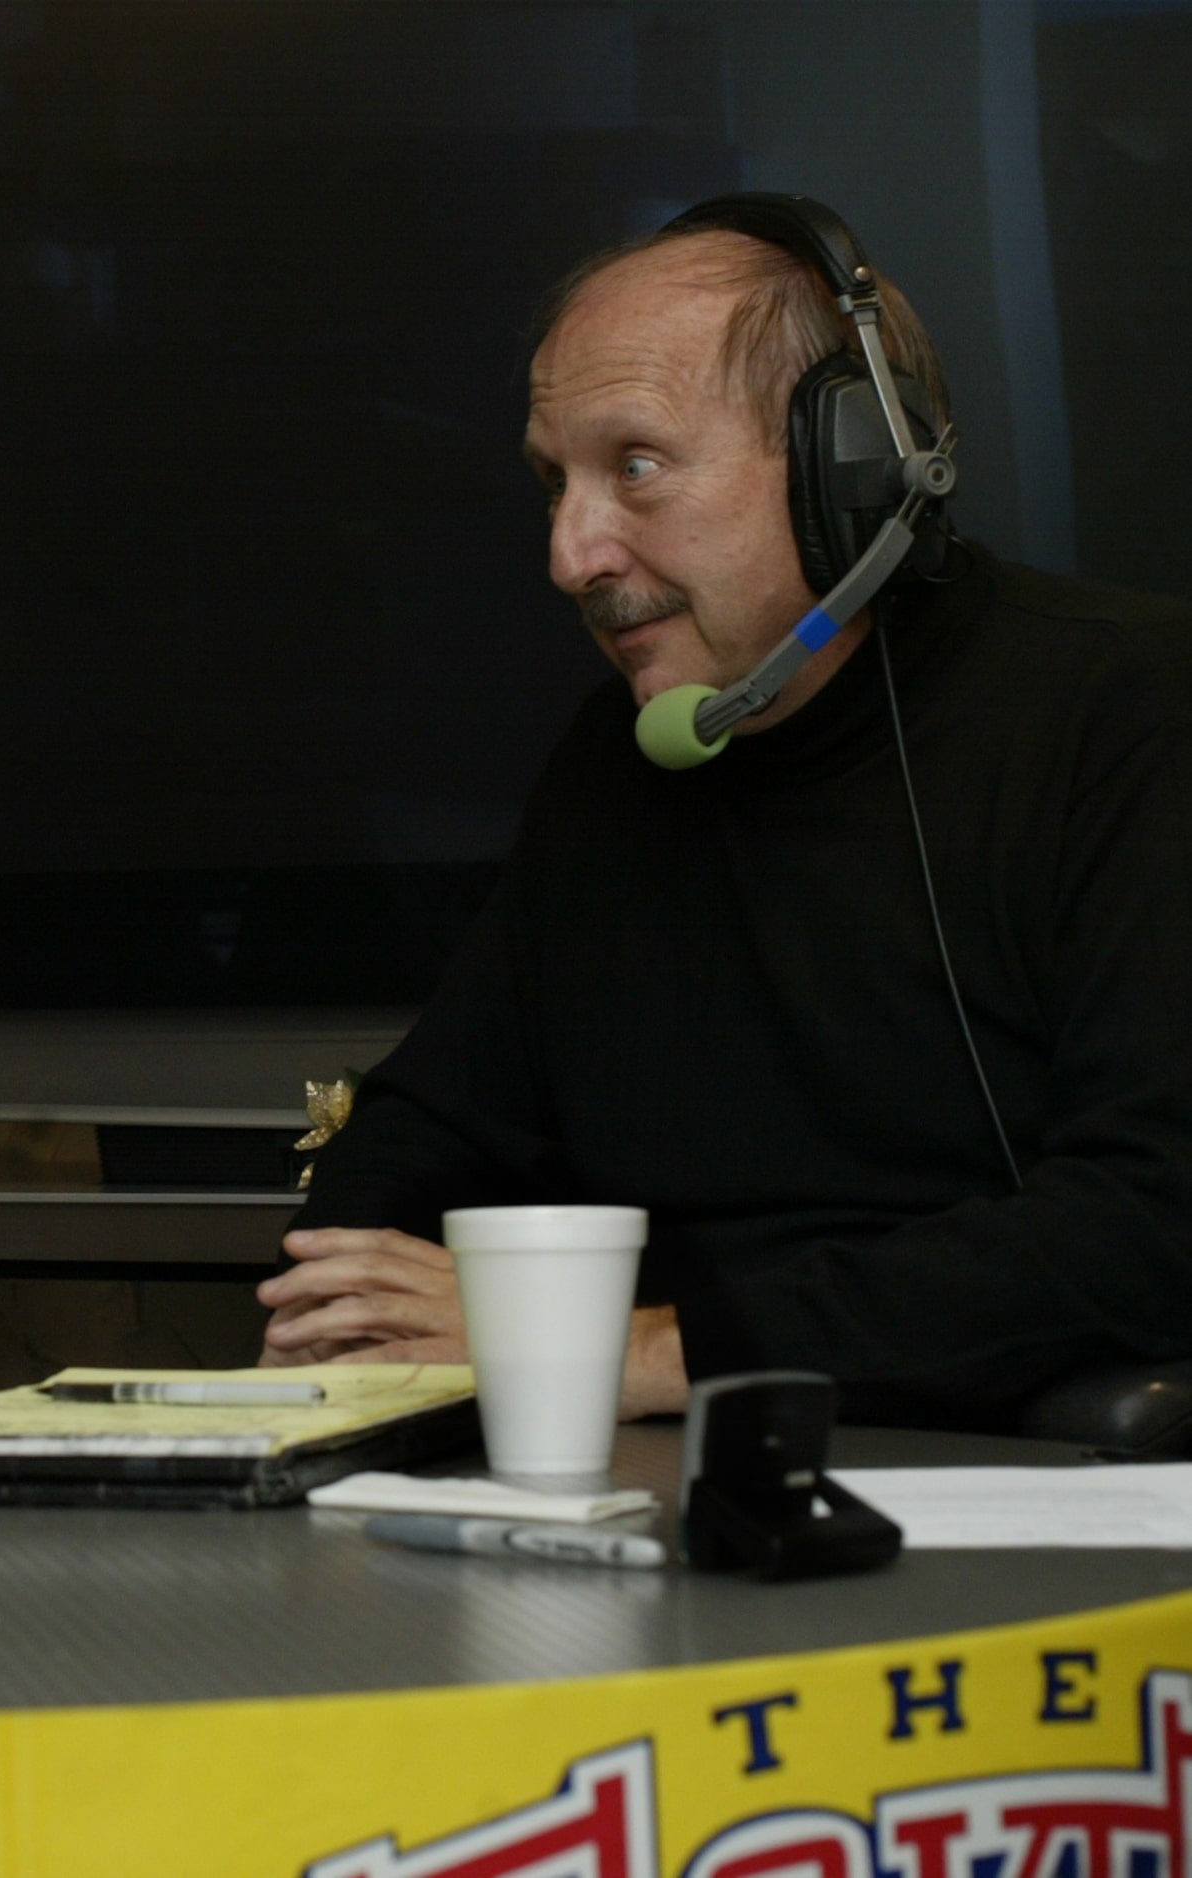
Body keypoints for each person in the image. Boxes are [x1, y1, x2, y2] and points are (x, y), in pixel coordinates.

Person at [258, 198, 1192, 1429]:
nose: (570, 553)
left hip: (982, 1483)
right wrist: (345, 1314)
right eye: (554, 484)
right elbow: (433, 1120)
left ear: (849, 465)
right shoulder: (621, 761)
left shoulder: (1127, 708)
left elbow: (1152, 1217)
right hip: (648, 1466)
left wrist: (621, 1349)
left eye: (633, 466)